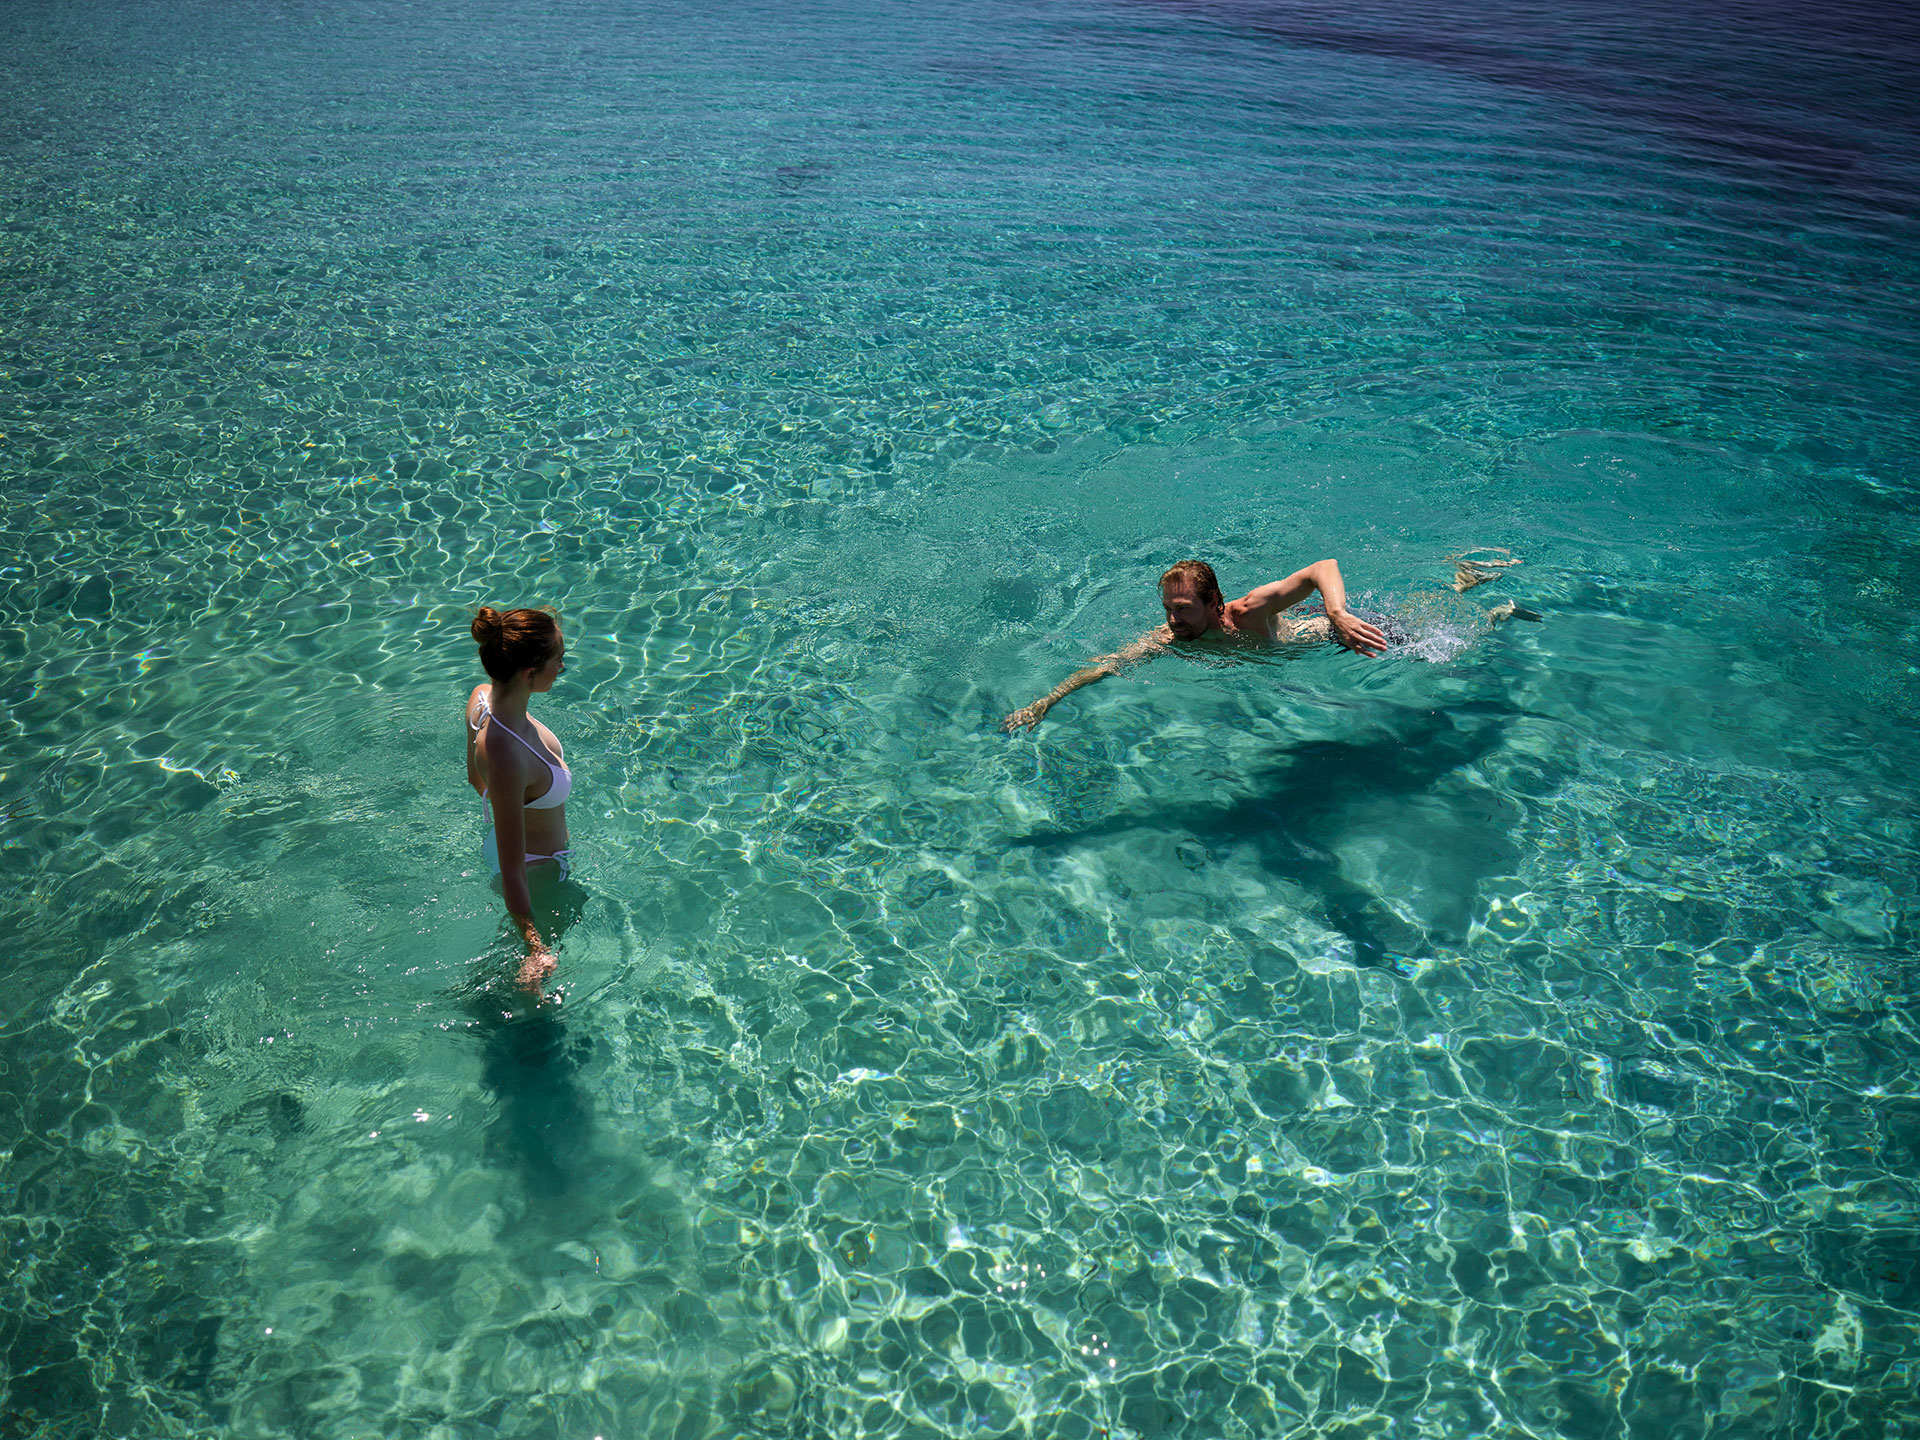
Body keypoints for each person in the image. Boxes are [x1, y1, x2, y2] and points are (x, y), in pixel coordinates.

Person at [1002, 558, 1392, 732]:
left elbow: (1323, 567)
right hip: (1285, 668)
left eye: (1184, 608)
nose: (1173, 620)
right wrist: (1043, 704)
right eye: (1168, 609)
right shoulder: (1172, 639)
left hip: (1331, 638)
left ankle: (1456, 580)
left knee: (1421, 639)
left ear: (1214, 602)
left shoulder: (1250, 611)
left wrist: (1338, 615)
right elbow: (1106, 666)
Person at [466, 606, 571, 992]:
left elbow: (475, 778)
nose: (561, 668)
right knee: (530, 980)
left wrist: (511, 808)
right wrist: (534, 946)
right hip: (534, 871)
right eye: (559, 661)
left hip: (511, 848)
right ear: (529, 673)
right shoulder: (508, 755)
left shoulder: (480, 701)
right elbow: (512, 873)